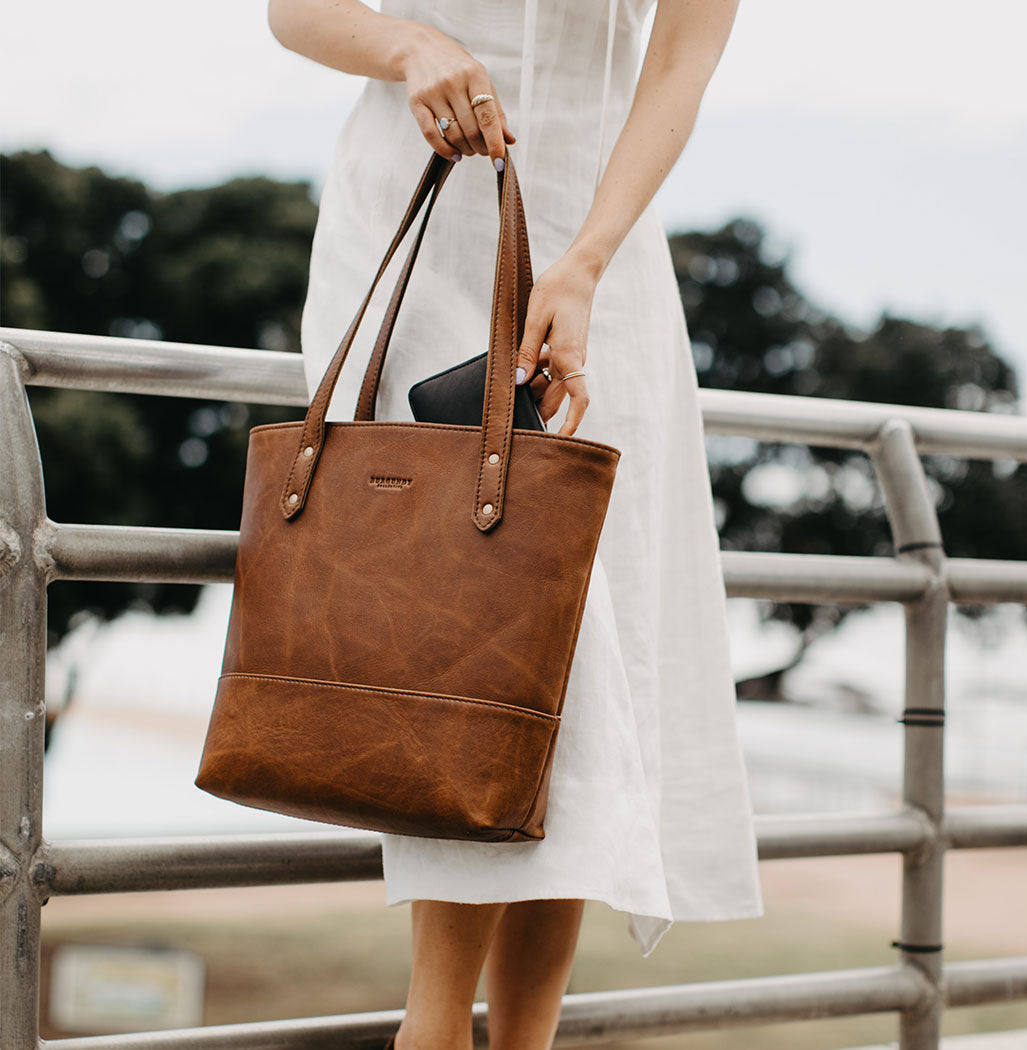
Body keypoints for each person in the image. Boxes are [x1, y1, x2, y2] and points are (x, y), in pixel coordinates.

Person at [267, 0, 763, 1046]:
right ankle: (437, 1028)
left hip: (604, 258)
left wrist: (583, 263)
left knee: (583, 677)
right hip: (416, 228)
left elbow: (680, 63)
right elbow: (291, 9)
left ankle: (519, 1038)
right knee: (479, 640)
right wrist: (411, 44)